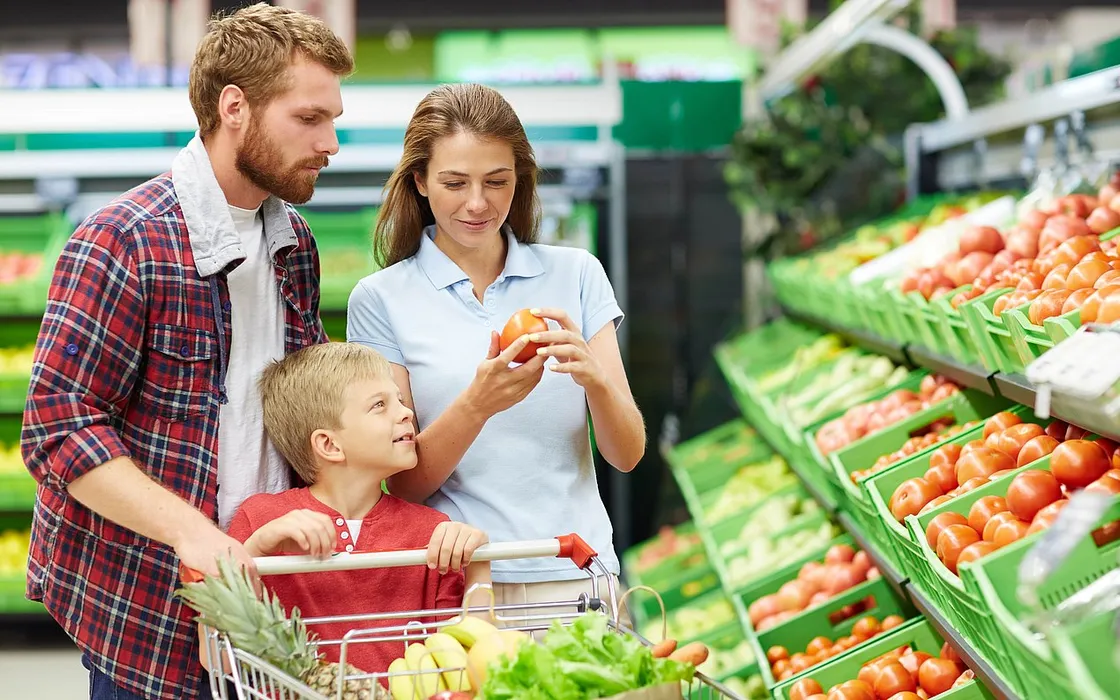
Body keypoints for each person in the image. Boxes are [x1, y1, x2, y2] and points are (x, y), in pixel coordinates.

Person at [19, 4, 352, 699]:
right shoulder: (123, 240)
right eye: (309, 118)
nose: (331, 143)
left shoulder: (295, 244)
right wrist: (196, 535)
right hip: (147, 611)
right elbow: (58, 429)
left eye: (333, 120)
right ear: (235, 107)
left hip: (268, 609)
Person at [346, 83, 646, 619]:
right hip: (460, 590)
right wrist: (479, 403)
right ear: (419, 181)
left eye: (497, 181)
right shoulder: (381, 300)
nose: (478, 203)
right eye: (455, 183)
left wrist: (594, 379)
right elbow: (402, 486)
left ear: (520, 181)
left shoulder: (576, 274)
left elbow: (627, 456)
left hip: (578, 579)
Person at [227, 342, 490, 679]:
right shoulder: (261, 519)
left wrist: (478, 561)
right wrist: (258, 548)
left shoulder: (433, 530)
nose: (407, 412)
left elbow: (466, 658)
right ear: (329, 445)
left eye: (400, 400)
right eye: (380, 405)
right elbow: (216, 655)